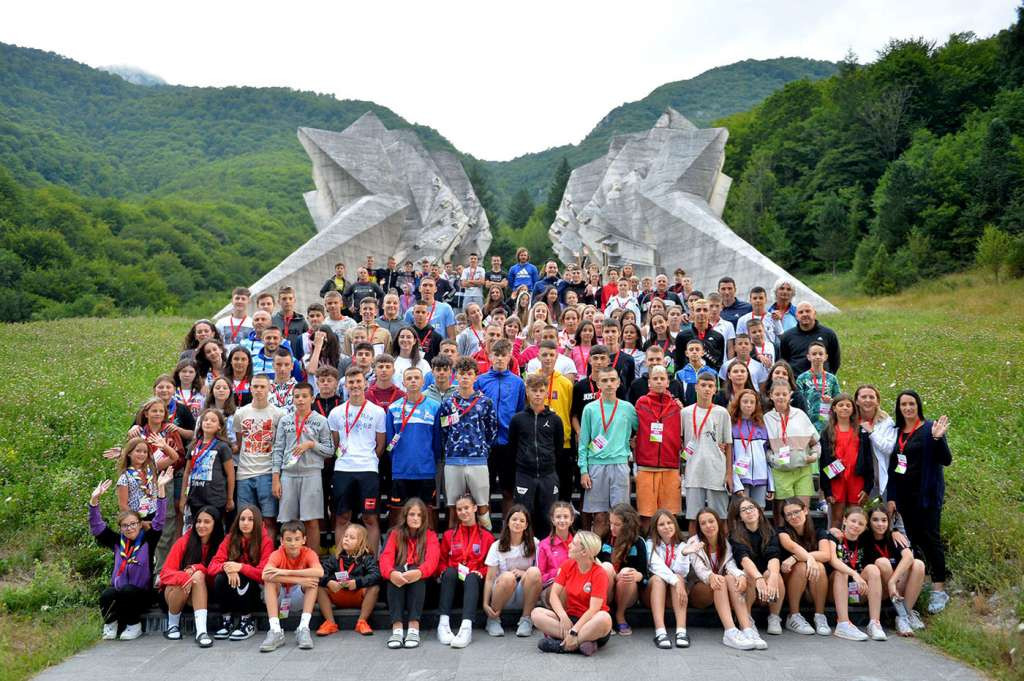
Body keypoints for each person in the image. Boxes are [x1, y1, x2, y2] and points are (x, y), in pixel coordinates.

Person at [886, 390, 952, 614]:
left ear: (918, 406)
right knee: (909, 541)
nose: (907, 408)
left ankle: (938, 589)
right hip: (904, 498)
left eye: (911, 404)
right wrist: (892, 496)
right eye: (903, 404)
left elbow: (946, 459)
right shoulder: (897, 432)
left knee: (930, 539)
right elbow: (893, 467)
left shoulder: (929, 428)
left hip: (927, 496)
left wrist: (937, 439)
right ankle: (912, 590)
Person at [89, 470, 172, 641]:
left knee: (128, 591)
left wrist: (161, 489)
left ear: (140, 525)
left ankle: (134, 625)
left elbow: (160, 520)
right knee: (107, 594)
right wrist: (94, 500)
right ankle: (110, 625)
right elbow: (97, 527)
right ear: (120, 528)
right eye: (125, 526)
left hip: (141, 594)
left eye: (133, 524)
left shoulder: (148, 540)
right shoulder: (116, 541)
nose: (129, 528)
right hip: (120, 592)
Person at [328, 367, 386, 554]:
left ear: (366, 383)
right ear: (345, 385)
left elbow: (380, 446)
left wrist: (367, 459)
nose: (354, 385)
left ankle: (371, 562)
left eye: (358, 381)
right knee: (342, 518)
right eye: (350, 382)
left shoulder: (377, 412)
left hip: (368, 470)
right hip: (343, 469)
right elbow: (334, 443)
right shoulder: (336, 413)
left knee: (370, 518)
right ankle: (341, 561)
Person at [271, 382, 334, 554]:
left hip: (311, 474)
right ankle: (288, 560)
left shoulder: (321, 420)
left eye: (304, 396)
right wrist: (276, 478)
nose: (300, 400)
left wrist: (311, 444)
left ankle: (312, 561)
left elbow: (330, 450)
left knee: (311, 521)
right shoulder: (285, 421)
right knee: (288, 521)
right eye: (297, 396)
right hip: (288, 475)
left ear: (312, 398)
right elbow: (277, 450)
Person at [683, 508, 757, 650]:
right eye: (703, 523)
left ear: (718, 522)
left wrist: (740, 575)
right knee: (721, 580)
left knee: (730, 578)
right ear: (699, 527)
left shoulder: (725, 542)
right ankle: (730, 631)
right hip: (699, 589)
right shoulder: (694, 542)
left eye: (711, 521)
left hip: (720, 589)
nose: (708, 526)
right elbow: (700, 570)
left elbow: (731, 565)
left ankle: (747, 628)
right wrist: (711, 576)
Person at [436, 357, 498, 527]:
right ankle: (452, 546)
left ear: (475, 377)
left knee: (482, 505)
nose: (465, 377)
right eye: (462, 374)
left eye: (469, 374)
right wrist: (450, 448)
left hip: (477, 459)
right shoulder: (448, 403)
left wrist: (482, 448)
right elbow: (444, 429)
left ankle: (486, 543)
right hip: (453, 459)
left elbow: (491, 430)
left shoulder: (485, 402)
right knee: (453, 506)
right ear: (455, 376)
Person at [577, 367, 637, 537]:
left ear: (618, 382)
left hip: (619, 465)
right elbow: (583, 443)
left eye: (612, 380)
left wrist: (634, 441)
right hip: (596, 466)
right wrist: (583, 470)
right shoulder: (590, 409)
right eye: (604, 380)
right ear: (598, 384)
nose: (609, 384)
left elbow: (641, 430)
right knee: (601, 516)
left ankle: (619, 555)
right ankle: (597, 555)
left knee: (620, 516)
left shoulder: (628, 408)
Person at [532, 531, 613, 655]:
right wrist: (563, 616)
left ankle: (563, 646)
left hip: (590, 622)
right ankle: (583, 643)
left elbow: (593, 609)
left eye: (574, 544)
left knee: (604, 618)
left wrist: (575, 631)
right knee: (536, 613)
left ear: (584, 552)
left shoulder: (599, 573)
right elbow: (554, 595)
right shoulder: (568, 565)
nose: (569, 545)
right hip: (570, 619)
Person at [380, 497, 440, 649]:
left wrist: (419, 572)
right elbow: (385, 559)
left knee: (417, 573)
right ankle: (397, 629)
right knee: (396, 572)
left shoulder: (430, 535)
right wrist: (392, 573)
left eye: (419, 515)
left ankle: (414, 628)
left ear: (424, 518)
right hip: (398, 587)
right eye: (412, 514)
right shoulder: (394, 534)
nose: (415, 518)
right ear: (405, 516)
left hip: (423, 590)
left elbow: (432, 561)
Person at [507, 373, 563, 539]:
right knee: (525, 516)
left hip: (548, 474)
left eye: (541, 390)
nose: (538, 394)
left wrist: (550, 466)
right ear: (527, 392)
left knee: (549, 515)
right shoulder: (518, 419)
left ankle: (548, 550)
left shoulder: (555, 420)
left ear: (546, 392)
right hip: (525, 475)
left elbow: (558, 448)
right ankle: (526, 549)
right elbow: (512, 448)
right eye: (534, 390)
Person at [160, 506, 225, 647]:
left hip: (203, 592)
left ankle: (201, 632)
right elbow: (165, 574)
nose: (201, 525)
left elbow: (216, 570)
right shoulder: (184, 541)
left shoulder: (221, 543)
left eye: (207, 522)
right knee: (187, 579)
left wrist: (197, 568)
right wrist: (184, 577)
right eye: (198, 521)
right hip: (175, 593)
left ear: (216, 523)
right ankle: (173, 626)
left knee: (198, 575)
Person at [436, 494, 495, 648]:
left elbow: (491, 564)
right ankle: (443, 624)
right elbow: (441, 560)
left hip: (475, 584)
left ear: (475, 508)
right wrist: (443, 570)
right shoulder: (449, 535)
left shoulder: (487, 537)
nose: (463, 512)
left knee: (471, 577)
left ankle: (466, 628)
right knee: (449, 572)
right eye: (459, 509)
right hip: (453, 583)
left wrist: (480, 571)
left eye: (466, 508)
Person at [475, 339, 526, 513]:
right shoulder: (480, 381)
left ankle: (508, 528)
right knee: (483, 491)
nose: (499, 359)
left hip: (508, 443)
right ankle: (485, 531)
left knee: (508, 490)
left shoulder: (517, 383)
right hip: (485, 443)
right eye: (496, 355)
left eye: (503, 355)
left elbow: (519, 410)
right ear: (490, 356)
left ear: (509, 357)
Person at [209, 504, 274, 641]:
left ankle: (247, 622)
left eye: (250, 519)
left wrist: (240, 567)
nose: (245, 523)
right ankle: (227, 621)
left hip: (255, 592)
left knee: (244, 576)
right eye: (242, 519)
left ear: (258, 522)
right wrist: (228, 568)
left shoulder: (266, 541)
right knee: (220, 578)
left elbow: (263, 574)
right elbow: (212, 567)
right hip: (233, 590)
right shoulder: (230, 538)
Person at [259, 520, 325, 652]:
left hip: (297, 596)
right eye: (288, 539)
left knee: (313, 580)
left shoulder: (309, 553)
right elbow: (265, 575)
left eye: (297, 539)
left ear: (304, 540)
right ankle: (275, 630)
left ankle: (303, 628)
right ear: (282, 541)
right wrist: (299, 579)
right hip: (279, 597)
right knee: (270, 581)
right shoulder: (277, 554)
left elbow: (320, 572)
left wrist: (287, 572)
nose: (293, 543)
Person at [386, 368, 441, 524]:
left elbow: (437, 441)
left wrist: (431, 460)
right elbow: (390, 443)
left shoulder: (434, 406)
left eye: (417, 377)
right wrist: (397, 461)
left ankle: (428, 548)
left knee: (427, 515)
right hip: (401, 471)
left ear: (423, 382)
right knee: (399, 517)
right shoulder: (393, 408)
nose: (413, 381)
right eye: (409, 378)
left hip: (425, 470)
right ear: (403, 383)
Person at [728, 498, 784, 648]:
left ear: (759, 510)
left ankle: (774, 616)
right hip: (750, 583)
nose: (749, 511)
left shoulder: (770, 531)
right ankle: (747, 618)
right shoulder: (736, 535)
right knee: (749, 573)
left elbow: (774, 556)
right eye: (744, 510)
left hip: (766, 583)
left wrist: (771, 577)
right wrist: (758, 577)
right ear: (739, 517)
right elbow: (743, 558)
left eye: (751, 507)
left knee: (774, 574)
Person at [864, 503, 927, 636]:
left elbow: (909, 557)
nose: (880, 524)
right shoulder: (864, 537)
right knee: (883, 562)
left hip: (896, 587)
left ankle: (904, 616)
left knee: (918, 564)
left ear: (889, 522)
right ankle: (902, 614)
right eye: (875, 520)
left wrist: (892, 582)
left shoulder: (894, 537)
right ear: (868, 522)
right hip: (878, 589)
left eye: (884, 520)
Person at [682, 374, 733, 534]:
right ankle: (692, 555)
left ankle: (722, 553)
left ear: (715, 390)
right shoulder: (685, 412)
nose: (706, 389)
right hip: (693, 471)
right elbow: (679, 441)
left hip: (716, 470)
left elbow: (729, 444)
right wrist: (680, 471)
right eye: (703, 385)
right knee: (693, 517)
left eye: (710, 386)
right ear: (696, 387)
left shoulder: (722, 413)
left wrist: (729, 474)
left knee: (720, 517)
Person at [233, 374, 283, 538]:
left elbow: (280, 445)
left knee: (269, 519)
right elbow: (240, 443)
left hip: (267, 472)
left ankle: (267, 556)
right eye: (255, 386)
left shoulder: (278, 414)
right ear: (250, 388)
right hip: (244, 474)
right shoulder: (241, 413)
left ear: (269, 388)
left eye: (262, 387)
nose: (259, 390)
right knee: (246, 520)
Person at [481, 505, 542, 638]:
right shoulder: (496, 546)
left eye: (521, 521)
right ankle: (493, 619)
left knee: (534, 572)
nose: (517, 523)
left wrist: (524, 573)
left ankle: (526, 619)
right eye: (514, 519)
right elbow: (490, 578)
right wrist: (485, 604)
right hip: (502, 595)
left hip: (524, 595)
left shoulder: (534, 543)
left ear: (526, 525)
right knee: (508, 576)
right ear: (507, 522)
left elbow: (539, 574)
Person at [633, 366, 682, 529]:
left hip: (670, 465)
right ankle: (648, 546)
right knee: (646, 514)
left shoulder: (676, 406)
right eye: (655, 378)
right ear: (649, 382)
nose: (659, 381)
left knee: (670, 514)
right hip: (646, 465)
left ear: (668, 382)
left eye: (662, 378)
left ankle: (670, 547)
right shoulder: (641, 403)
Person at [828, 506, 887, 641]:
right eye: (853, 521)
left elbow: (885, 535)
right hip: (834, 591)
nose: (856, 526)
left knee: (872, 569)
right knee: (841, 571)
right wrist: (854, 574)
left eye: (861, 523)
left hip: (858, 592)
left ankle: (874, 623)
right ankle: (843, 623)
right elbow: (833, 559)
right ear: (844, 520)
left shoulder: (866, 539)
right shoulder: (834, 536)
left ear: (866, 527)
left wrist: (895, 531)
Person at [776, 497, 832, 636]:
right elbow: (792, 547)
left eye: (796, 512)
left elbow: (826, 555)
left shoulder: (819, 531)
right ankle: (793, 616)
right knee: (802, 566)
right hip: (790, 585)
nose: (793, 516)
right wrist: (808, 559)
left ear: (805, 510)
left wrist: (796, 558)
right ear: (785, 518)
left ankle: (819, 616)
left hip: (813, 586)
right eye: (789, 514)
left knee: (818, 566)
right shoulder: (782, 532)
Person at [315, 523, 382, 637]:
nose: (347, 539)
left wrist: (357, 583)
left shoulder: (367, 558)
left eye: (352, 538)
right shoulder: (335, 558)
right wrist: (329, 582)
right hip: (338, 594)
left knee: (374, 588)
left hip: (358, 596)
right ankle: (330, 623)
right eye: (345, 536)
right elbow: (319, 573)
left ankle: (362, 622)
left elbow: (376, 575)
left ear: (361, 543)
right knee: (319, 587)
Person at [764, 380, 820, 511]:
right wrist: (773, 459)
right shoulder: (766, 418)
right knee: (783, 514)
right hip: (780, 472)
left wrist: (814, 455)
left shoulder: (800, 415)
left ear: (790, 395)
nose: (781, 397)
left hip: (802, 471)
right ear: (771, 395)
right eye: (777, 394)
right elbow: (763, 448)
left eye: (784, 394)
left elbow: (815, 442)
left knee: (802, 512)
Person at [819, 394, 874, 528]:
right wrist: (827, 490)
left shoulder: (861, 431)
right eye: (841, 405)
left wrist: (867, 487)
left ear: (853, 409)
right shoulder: (827, 432)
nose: (845, 408)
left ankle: (854, 548)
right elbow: (824, 461)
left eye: (848, 405)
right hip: (836, 479)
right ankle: (835, 547)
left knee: (856, 518)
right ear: (834, 408)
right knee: (837, 519)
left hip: (856, 479)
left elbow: (868, 460)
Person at [645, 509, 690, 649]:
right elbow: (656, 566)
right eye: (661, 524)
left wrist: (683, 554)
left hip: (674, 595)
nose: (666, 527)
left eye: (669, 522)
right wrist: (676, 581)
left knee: (678, 576)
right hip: (653, 594)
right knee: (659, 579)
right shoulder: (650, 544)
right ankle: (660, 632)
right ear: (655, 528)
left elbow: (683, 571)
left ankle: (681, 631)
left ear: (675, 524)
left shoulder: (683, 546)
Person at [180, 408, 235, 523]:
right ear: (201, 423)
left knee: (215, 530)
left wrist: (230, 498)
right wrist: (183, 497)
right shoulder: (194, 445)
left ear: (219, 426)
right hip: (195, 497)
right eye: (205, 420)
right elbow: (186, 473)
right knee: (197, 528)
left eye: (213, 420)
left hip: (215, 498)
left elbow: (230, 475)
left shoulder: (223, 446)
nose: (208, 422)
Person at [729, 388, 774, 507]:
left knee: (759, 511)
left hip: (761, 477)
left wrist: (771, 484)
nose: (748, 405)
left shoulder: (762, 425)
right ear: (738, 403)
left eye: (752, 402)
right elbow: (729, 458)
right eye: (745, 402)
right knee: (742, 510)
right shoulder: (731, 425)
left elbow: (766, 456)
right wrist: (736, 484)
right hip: (741, 477)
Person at [854, 384, 898, 499]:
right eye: (863, 397)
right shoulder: (851, 421)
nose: (867, 400)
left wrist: (872, 433)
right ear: (856, 401)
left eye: (871, 397)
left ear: (877, 401)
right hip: (858, 478)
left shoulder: (886, 422)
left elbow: (889, 449)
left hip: (882, 476)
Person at [780, 302, 841, 375]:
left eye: (808, 311)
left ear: (814, 314)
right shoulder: (787, 336)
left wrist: (828, 377)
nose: (804, 314)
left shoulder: (829, 334)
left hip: (822, 382)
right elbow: (783, 361)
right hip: (796, 382)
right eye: (801, 312)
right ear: (796, 316)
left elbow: (835, 361)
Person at [795, 341, 840, 434]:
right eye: (814, 354)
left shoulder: (832, 378)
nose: (817, 356)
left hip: (826, 420)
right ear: (808, 357)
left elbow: (838, 400)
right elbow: (798, 401)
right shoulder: (802, 378)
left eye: (820, 354)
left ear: (826, 357)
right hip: (807, 420)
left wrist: (831, 401)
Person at [673, 298, 725, 373]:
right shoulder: (682, 336)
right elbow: (679, 363)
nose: (702, 313)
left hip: (709, 380)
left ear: (709, 313)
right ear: (693, 312)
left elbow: (719, 363)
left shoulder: (718, 337)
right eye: (698, 310)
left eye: (705, 310)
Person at [114, 437, 159, 518]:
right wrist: (139, 521)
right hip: (136, 519)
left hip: (154, 515)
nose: (142, 454)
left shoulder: (151, 470)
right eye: (138, 451)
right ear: (129, 453)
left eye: (145, 452)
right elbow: (123, 506)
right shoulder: (125, 477)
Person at [676, 338, 718, 406]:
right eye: (691, 349)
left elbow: (716, 396)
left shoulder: (713, 373)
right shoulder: (680, 374)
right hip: (687, 412)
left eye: (697, 349)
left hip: (708, 412)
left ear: (702, 353)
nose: (694, 352)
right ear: (686, 353)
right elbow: (678, 398)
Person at [600, 320, 635, 392]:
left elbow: (630, 386)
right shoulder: (596, 358)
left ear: (619, 333)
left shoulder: (628, 359)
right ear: (602, 334)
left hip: (621, 400)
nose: (610, 335)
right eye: (607, 332)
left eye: (613, 331)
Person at [272, 287, 309, 352]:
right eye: (284, 299)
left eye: (290, 298)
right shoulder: (273, 320)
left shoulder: (301, 321)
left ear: (294, 300)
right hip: (278, 358)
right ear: (278, 301)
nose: (287, 301)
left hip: (297, 359)